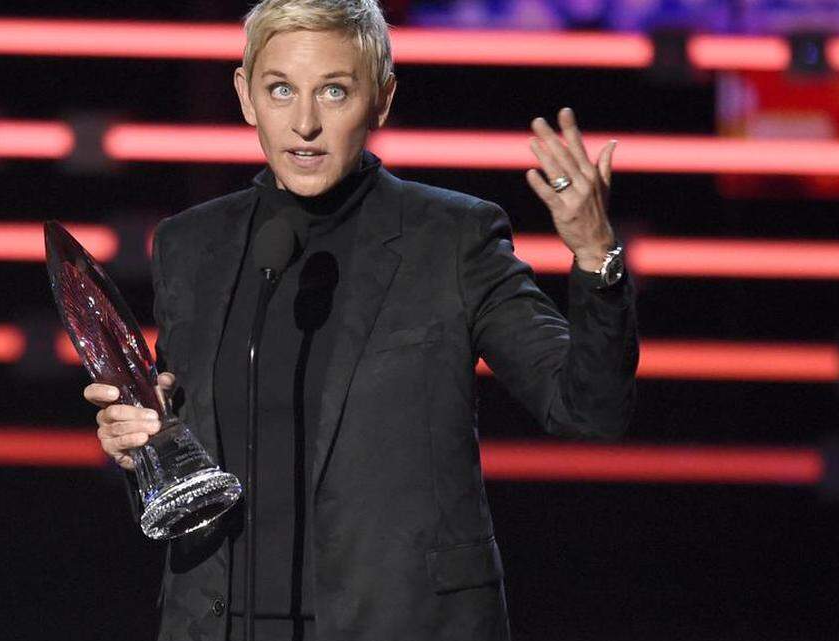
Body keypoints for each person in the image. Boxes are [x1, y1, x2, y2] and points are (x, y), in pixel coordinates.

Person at [84, 1, 638, 639]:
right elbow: (188, 471)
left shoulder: (450, 239)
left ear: (381, 100)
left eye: (334, 91)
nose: (305, 123)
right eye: (281, 89)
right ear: (245, 95)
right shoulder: (191, 246)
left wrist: (596, 255)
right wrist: (145, 447)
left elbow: (588, 411)